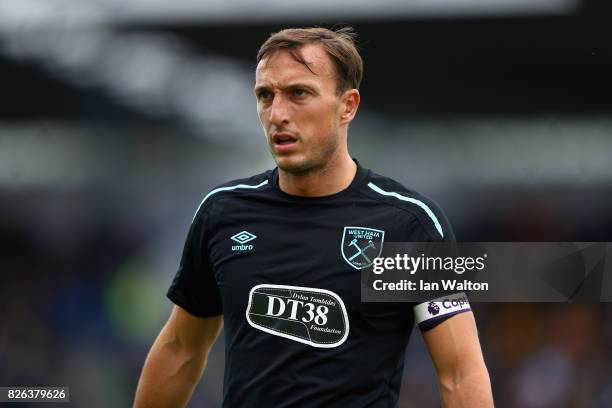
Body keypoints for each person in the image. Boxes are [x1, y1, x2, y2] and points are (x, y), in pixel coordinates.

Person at [134, 26, 493, 407]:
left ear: (348, 106)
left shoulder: (408, 225)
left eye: (298, 94)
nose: (278, 114)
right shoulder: (223, 214)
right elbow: (180, 350)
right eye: (265, 96)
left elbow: (460, 373)